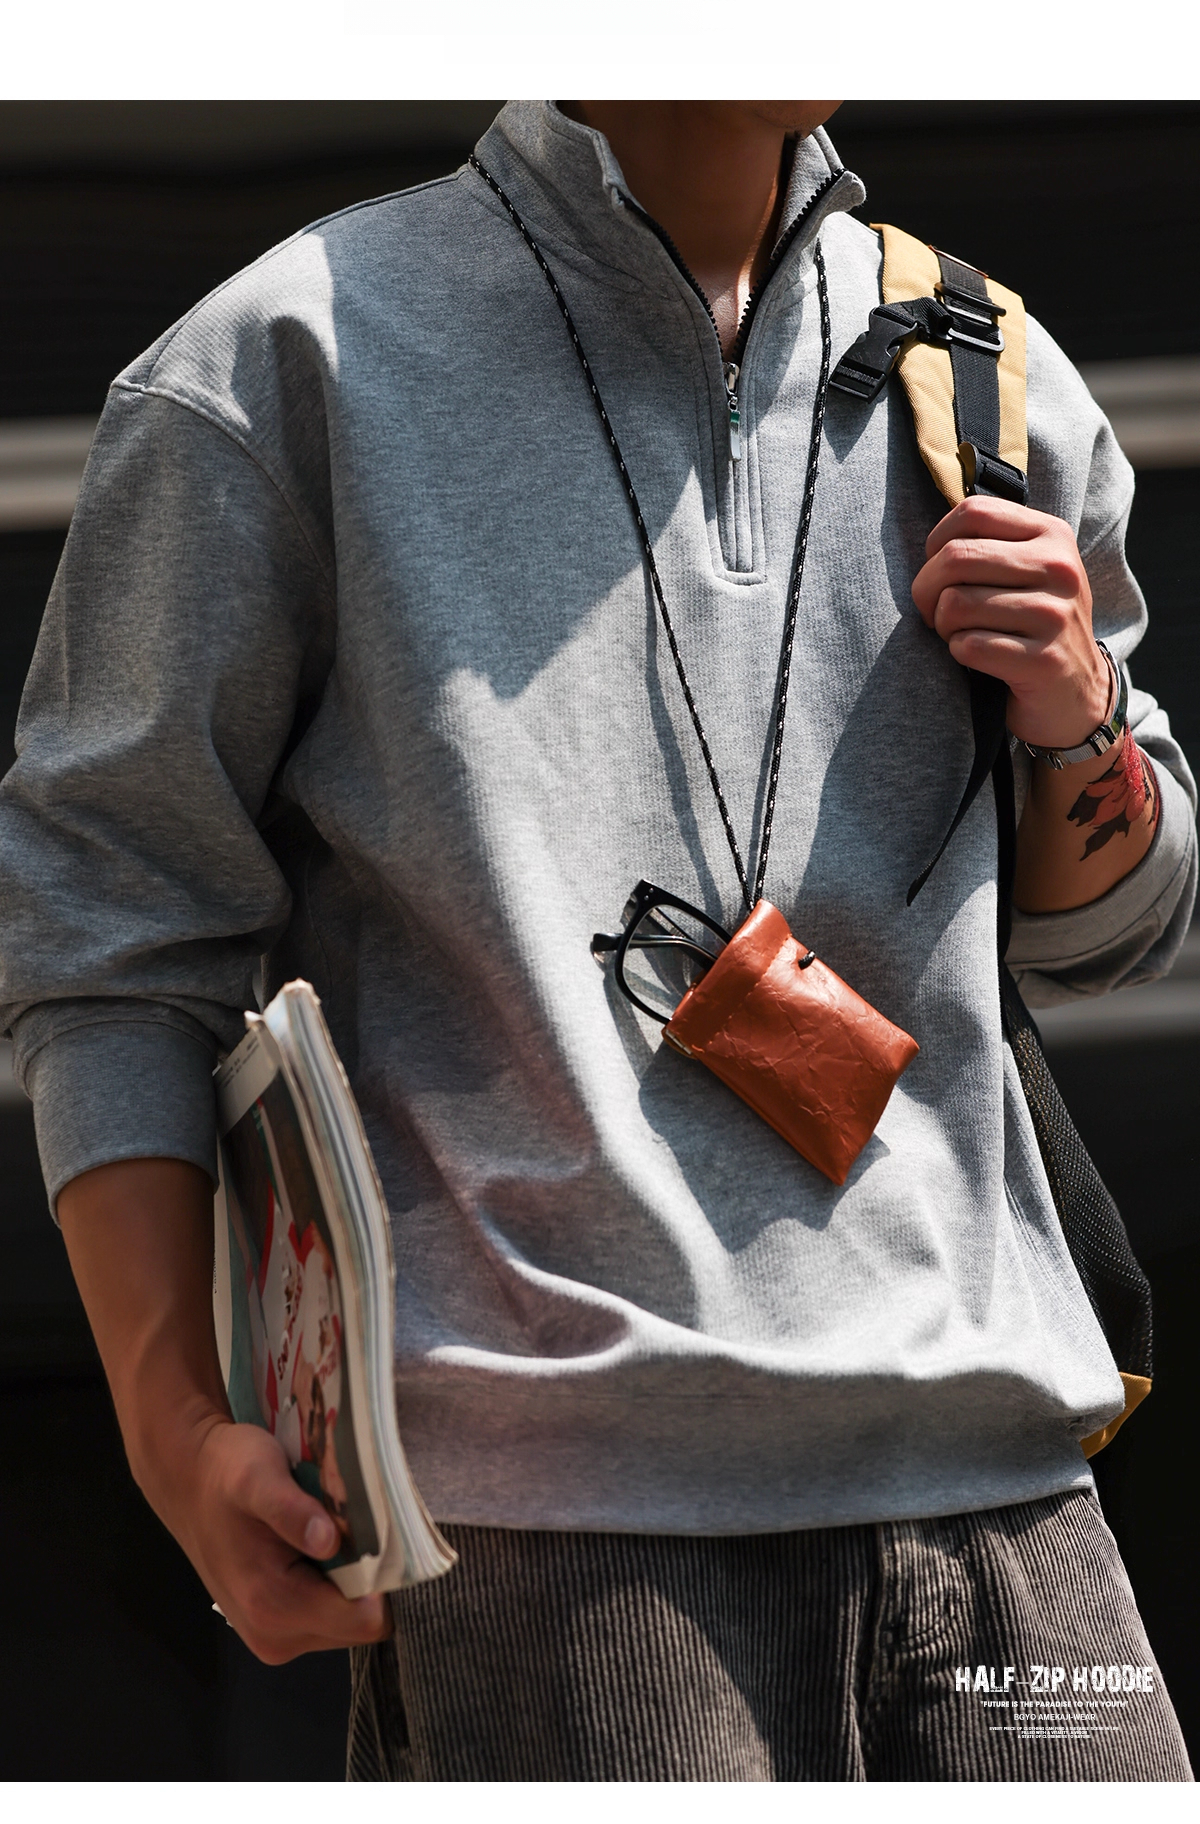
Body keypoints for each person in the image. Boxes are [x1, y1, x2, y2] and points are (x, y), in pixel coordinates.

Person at [0, 100, 1194, 1782]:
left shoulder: (983, 361)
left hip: (1009, 1483)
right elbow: (109, 931)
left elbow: (1118, 931)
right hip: (559, 1536)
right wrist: (173, 1425)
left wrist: (1079, 718)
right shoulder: (280, 364)